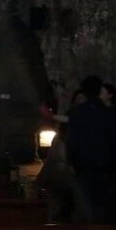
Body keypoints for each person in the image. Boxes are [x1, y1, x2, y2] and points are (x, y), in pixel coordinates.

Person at [65, 76, 116, 224]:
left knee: (86, 201)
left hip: (83, 162)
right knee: (103, 202)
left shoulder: (78, 112)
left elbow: (72, 139)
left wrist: (70, 159)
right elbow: (115, 139)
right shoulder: (108, 112)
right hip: (104, 162)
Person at [37, 90, 87, 223]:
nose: (80, 100)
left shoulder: (83, 116)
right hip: (63, 154)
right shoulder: (73, 114)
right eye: (78, 97)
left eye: (83, 97)